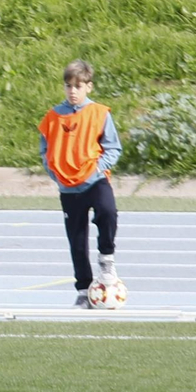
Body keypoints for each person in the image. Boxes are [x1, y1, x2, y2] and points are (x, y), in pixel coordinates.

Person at [39, 60, 121, 307]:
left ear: (89, 87)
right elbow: (45, 150)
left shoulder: (99, 113)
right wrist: (54, 172)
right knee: (76, 238)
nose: (72, 91)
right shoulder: (53, 117)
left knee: (108, 212)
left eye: (78, 86)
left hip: (94, 181)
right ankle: (84, 290)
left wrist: (96, 169)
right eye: (68, 86)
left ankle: (107, 260)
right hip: (68, 187)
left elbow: (113, 147)